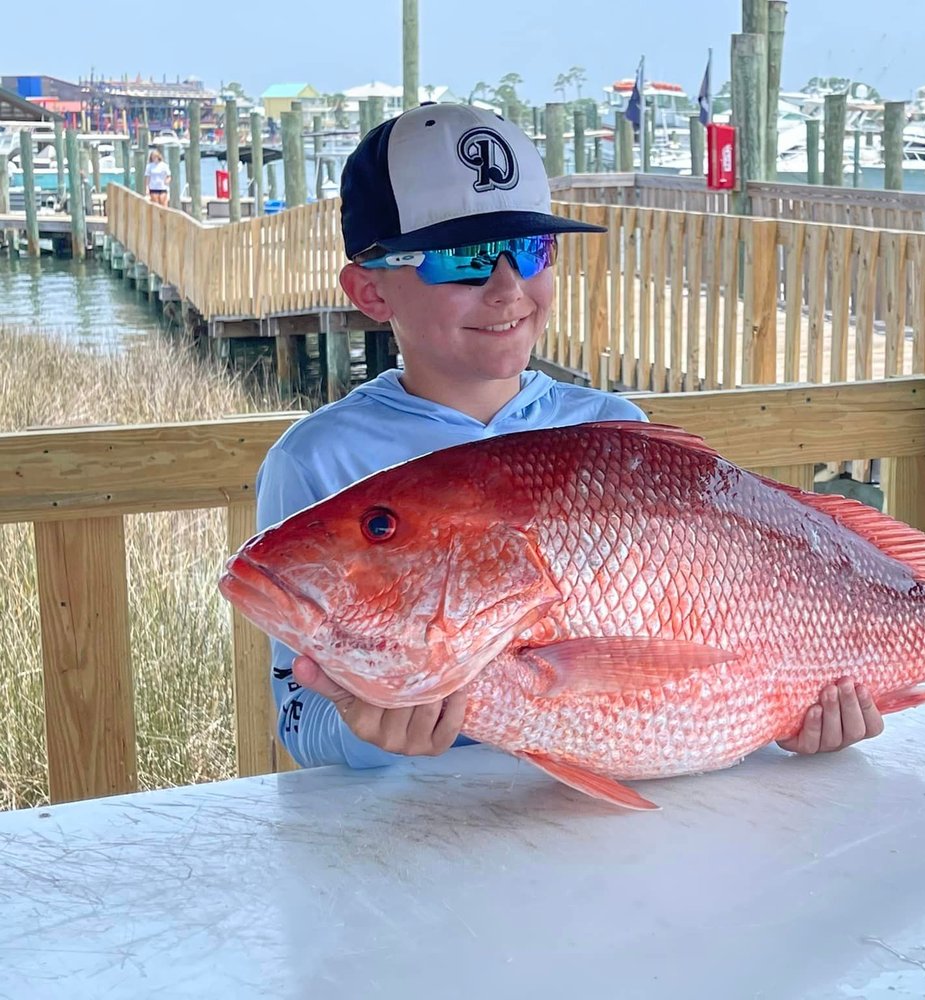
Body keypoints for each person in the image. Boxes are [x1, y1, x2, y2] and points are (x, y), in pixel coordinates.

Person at [255, 101, 884, 772]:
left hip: (600, 843)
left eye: (530, 250)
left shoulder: (613, 429)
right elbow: (301, 721)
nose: (507, 288)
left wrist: (789, 710)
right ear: (370, 291)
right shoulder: (319, 460)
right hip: (419, 846)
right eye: (463, 259)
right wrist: (366, 729)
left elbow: (683, 668)